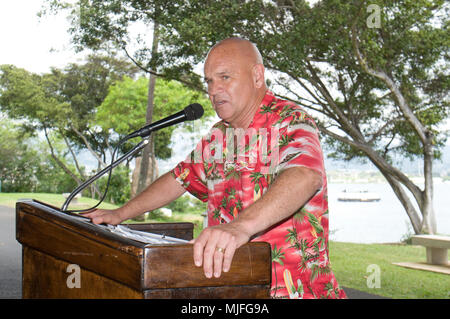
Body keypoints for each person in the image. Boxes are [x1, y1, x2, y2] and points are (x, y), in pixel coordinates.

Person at [84, 37, 347, 299]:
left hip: (295, 292)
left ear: (257, 75)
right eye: (209, 81)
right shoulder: (218, 135)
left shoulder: (291, 121)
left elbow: (304, 176)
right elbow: (179, 179)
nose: (213, 90)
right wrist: (121, 214)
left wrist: (238, 228)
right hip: (231, 289)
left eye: (224, 77)